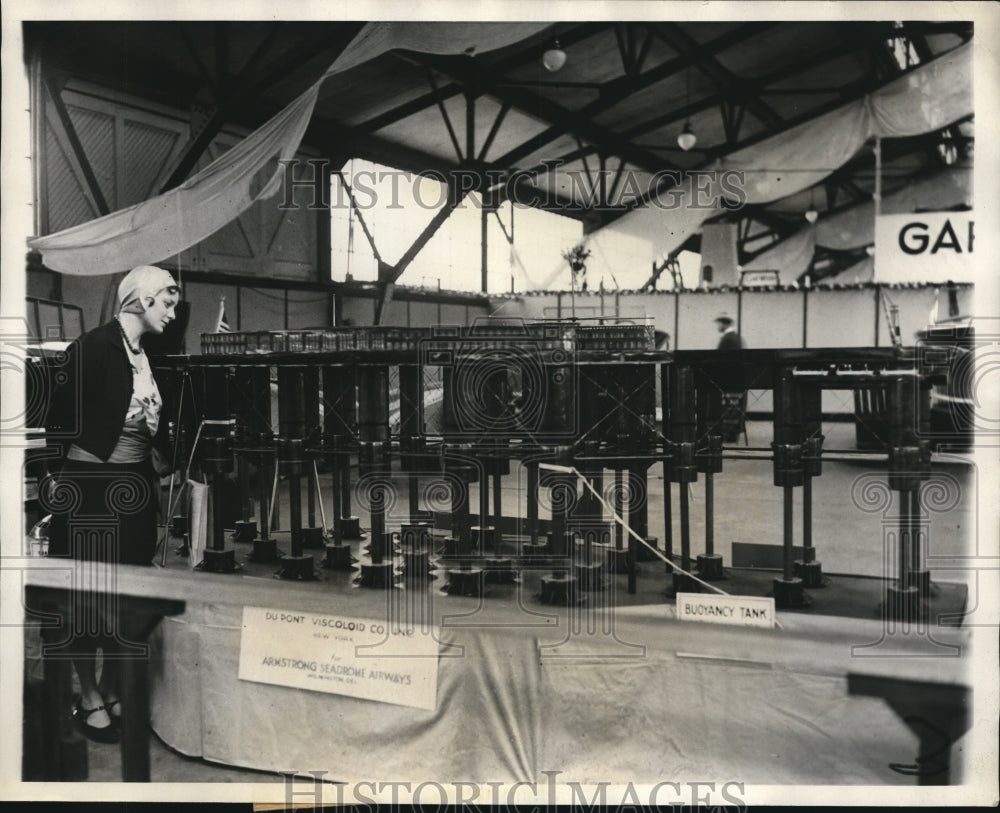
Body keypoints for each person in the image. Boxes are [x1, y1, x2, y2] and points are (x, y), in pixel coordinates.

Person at [42, 265, 179, 743]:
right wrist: (60, 484)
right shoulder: (94, 347)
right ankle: (88, 694)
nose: (173, 310)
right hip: (92, 488)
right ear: (139, 300)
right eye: (166, 301)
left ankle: (111, 685)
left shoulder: (144, 354)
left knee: (130, 596)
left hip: (135, 489)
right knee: (86, 597)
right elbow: (59, 419)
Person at [713, 312, 747, 442]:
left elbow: (725, 361)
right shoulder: (734, 337)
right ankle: (730, 435)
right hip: (736, 380)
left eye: (719, 323)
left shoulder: (729, 339)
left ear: (724, 323)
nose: (718, 325)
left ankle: (729, 436)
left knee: (728, 407)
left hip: (730, 381)